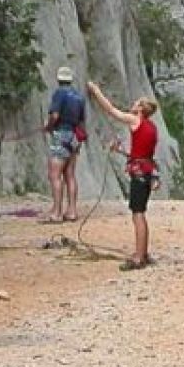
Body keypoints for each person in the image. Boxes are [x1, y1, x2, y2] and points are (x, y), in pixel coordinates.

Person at [87, 81, 160, 271]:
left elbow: (112, 111)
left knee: (138, 214)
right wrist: (120, 150)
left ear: (141, 109)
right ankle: (143, 252)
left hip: (138, 174)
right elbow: (141, 154)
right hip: (147, 171)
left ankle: (139, 257)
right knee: (140, 212)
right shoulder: (152, 127)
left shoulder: (136, 120)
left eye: (136, 104)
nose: (133, 105)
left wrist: (96, 92)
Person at [44, 66, 86, 223]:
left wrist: (48, 126)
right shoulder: (79, 97)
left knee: (55, 175)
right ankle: (72, 211)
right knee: (70, 175)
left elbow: (55, 115)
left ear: (58, 79)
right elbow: (82, 121)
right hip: (74, 137)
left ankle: (57, 212)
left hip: (61, 134)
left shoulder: (59, 94)